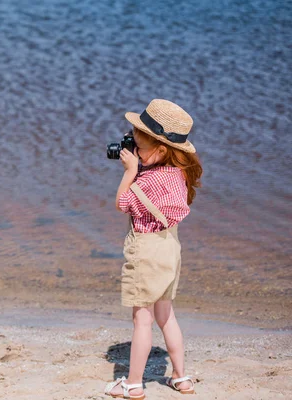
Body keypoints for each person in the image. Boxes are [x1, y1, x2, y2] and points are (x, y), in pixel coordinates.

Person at [104, 99, 202, 399]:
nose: (133, 150)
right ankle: (181, 376)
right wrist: (141, 163)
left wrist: (130, 171)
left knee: (142, 320)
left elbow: (122, 204)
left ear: (160, 150)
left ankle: (133, 382)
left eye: (138, 145)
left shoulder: (145, 181)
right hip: (170, 249)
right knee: (166, 316)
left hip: (146, 252)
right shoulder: (177, 175)